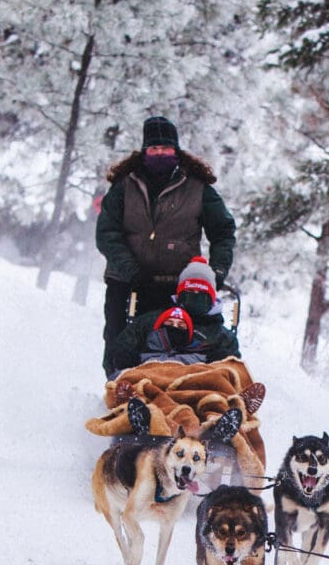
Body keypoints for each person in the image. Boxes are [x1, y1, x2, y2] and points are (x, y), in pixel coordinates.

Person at [95, 115, 236, 378]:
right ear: (144, 151)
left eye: (166, 149)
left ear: (176, 151)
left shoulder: (197, 188)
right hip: (127, 281)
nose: (160, 153)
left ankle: (187, 390)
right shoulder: (124, 187)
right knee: (120, 340)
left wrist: (215, 273)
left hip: (177, 285)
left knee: (180, 342)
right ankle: (120, 387)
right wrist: (131, 272)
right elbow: (106, 234)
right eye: (154, 149)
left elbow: (223, 231)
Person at [106, 256, 242, 368]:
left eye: (201, 293)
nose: (195, 296)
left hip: (198, 383)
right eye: (189, 292)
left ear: (211, 298)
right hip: (156, 377)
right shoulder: (153, 320)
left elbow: (234, 363)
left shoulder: (221, 335)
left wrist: (223, 360)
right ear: (179, 295)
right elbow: (124, 344)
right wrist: (127, 355)